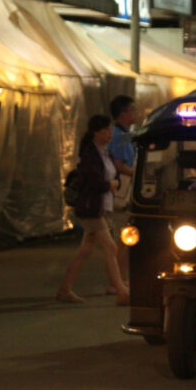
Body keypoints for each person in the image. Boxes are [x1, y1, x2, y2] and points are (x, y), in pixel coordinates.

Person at [57, 114, 130, 305]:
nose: (109, 134)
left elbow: (113, 175)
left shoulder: (105, 153)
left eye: (110, 130)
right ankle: (121, 291)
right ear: (95, 132)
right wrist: (110, 185)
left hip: (102, 207)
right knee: (111, 247)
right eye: (105, 130)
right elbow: (95, 181)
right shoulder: (90, 153)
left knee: (86, 250)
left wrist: (114, 183)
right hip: (91, 208)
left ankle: (65, 289)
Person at [107, 95, 137, 285]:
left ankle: (119, 280)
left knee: (118, 238)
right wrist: (137, 174)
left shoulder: (125, 134)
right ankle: (118, 281)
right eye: (132, 109)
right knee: (122, 238)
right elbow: (119, 165)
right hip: (121, 192)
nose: (136, 113)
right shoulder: (119, 136)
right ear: (122, 113)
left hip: (120, 192)